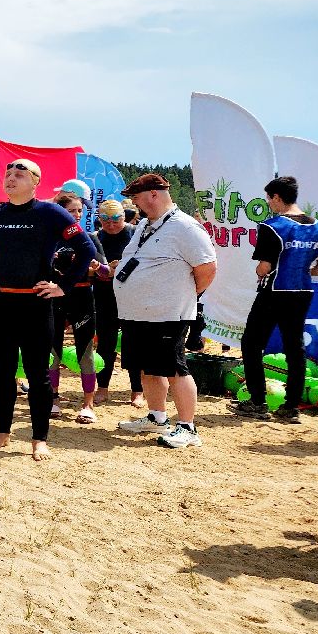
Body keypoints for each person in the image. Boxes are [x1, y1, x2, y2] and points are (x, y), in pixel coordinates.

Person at [0, 158, 96, 461]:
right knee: (3, 372)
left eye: (19, 174)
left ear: (36, 181)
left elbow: (86, 249)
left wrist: (63, 285)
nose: (10, 178)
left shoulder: (51, 212)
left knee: (38, 375)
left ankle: (39, 438)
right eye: (8, 173)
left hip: (36, 304)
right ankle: (3, 431)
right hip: (1, 304)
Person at [111, 173, 217, 448]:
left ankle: (188, 427)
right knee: (148, 367)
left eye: (136, 197)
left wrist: (185, 296)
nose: (133, 203)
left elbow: (207, 269)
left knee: (175, 368)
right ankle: (157, 416)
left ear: (154, 194)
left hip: (168, 314)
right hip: (138, 312)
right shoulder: (146, 224)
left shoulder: (185, 227)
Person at [229, 175, 318, 423]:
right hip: (302, 291)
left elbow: (264, 267)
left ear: (276, 197)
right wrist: (303, 270)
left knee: (252, 343)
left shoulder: (273, 226)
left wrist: (261, 272)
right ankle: (291, 406)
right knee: (295, 347)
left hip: (274, 291)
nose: (269, 204)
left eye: (269, 199)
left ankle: (258, 401)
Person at [47, 192, 106, 424]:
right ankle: (53, 399)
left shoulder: (89, 237)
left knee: (85, 351)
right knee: (53, 351)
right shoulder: (49, 237)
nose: (77, 215)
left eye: (80, 211)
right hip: (54, 298)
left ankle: (88, 404)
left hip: (82, 296)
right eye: (72, 211)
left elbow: (104, 273)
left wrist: (96, 266)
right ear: (61, 212)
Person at [90, 199, 143, 407]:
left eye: (115, 219)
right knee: (105, 344)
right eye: (105, 219)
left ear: (124, 217)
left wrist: (121, 267)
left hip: (133, 297)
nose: (110, 224)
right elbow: (92, 268)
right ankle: (102, 388)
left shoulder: (135, 233)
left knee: (134, 344)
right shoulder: (96, 237)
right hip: (105, 296)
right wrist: (100, 270)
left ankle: (137, 390)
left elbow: (146, 262)